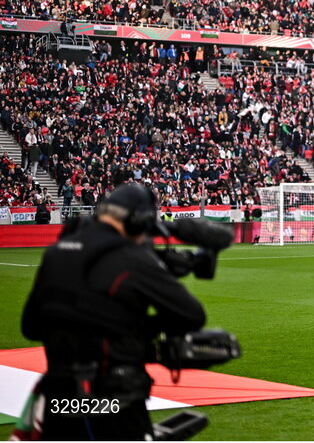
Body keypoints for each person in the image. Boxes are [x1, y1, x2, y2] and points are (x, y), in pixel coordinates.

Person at [19, 183, 206, 440]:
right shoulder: (129, 257)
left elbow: (30, 327)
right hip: (113, 397)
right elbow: (192, 314)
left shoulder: (55, 253)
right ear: (139, 222)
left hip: (58, 396)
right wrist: (137, 329)